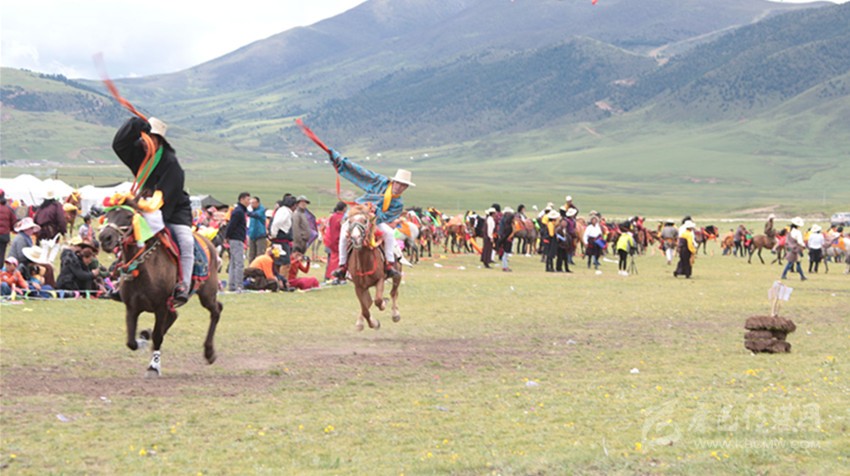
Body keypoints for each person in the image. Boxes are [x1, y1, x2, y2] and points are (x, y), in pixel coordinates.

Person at [112, 116, 193, 305]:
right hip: (145, 208)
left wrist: (154, 221)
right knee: (126, 236)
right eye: (143, 137)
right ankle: (121, 281)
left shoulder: (171, 164)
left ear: (158, 140)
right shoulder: (140, 155)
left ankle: (183, 284)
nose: (144, 142)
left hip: (173, 211)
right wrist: (135, 124)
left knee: (186, 242)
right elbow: (119, 145)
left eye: (149, 137)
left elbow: (167, 197)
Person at [328, 148, 414, 280]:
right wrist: (340, 160)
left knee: (389, 233)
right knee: (344, 234)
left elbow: (386, 218)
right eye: (398, 183)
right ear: (393, 181)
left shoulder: (398, 204)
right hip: (358, 214)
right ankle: (342, 266)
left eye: (403, 185)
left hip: (375, 220)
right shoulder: (380, 182)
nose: (399, 187)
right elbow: (361, 173)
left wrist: (376, 212)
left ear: (406, 188)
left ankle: (389, 264)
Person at [225, 192, 250, 292]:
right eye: (247, 199)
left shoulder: (240, 211)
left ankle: (232, 285)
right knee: (239, 263)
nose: (249, 202)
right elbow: (232, 225)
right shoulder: (238, 212)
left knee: (233, 263)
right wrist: (227, 235)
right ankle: (239, 285)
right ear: (242, 199)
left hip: (235, 238)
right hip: (236, 239)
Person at [324, 202, 347, 283]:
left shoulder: (332, 216)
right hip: (339, 240)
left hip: (331, 240)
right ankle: (335, 276)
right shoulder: (342, 218)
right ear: (344, 208)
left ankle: (329, 275)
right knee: (339, 259)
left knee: (332, 259)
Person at [247, 196, 268, 262]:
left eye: (253, 203)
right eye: (251, 203)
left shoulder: (261, 210)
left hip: (260, 235)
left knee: (260, 255)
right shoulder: (252, 210)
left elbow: (255, 215)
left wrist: (246, 210)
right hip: (252, 235)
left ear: (258, 203)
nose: (252, 205)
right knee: (251, 255)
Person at [0, 189, 18, 261]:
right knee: (1, 255)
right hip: (4, 235)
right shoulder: (8, 208)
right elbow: (14, 222)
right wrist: (11, 229)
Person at [497, 207, 515, 272]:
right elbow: (513, 232)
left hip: (504, 239)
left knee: (505, 254)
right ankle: (505, 267)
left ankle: (505, 266)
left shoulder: (503, 221)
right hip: (507, 240)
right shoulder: (510, 225)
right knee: (505, 254)